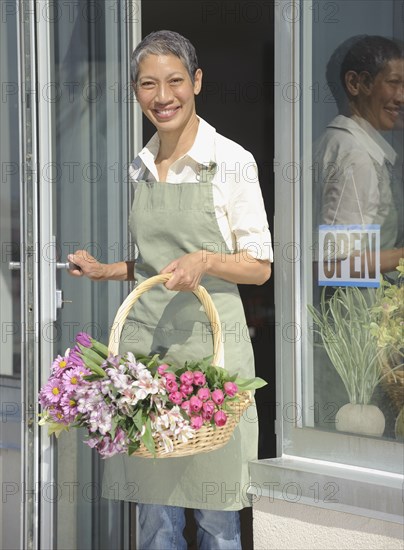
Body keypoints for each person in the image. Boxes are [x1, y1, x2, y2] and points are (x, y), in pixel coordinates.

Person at [68, 30, 273, 550]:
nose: (163, 96)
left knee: (216, 516)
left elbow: (260, 267)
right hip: (148, 361)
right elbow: (156, 265)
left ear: (197, 82)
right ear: (135, 92)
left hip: (211, 357)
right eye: (148, 84)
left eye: (175, 81)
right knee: (155, 517)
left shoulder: (231, 161)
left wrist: (207, 260)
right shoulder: (139, 166)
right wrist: (105, 271)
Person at [314, 35, 404, 275]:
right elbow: (330, 266)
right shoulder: (355, 156)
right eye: (394, 82)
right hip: (354, 311)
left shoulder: (337, 145)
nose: (401, 97)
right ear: (355, 83)